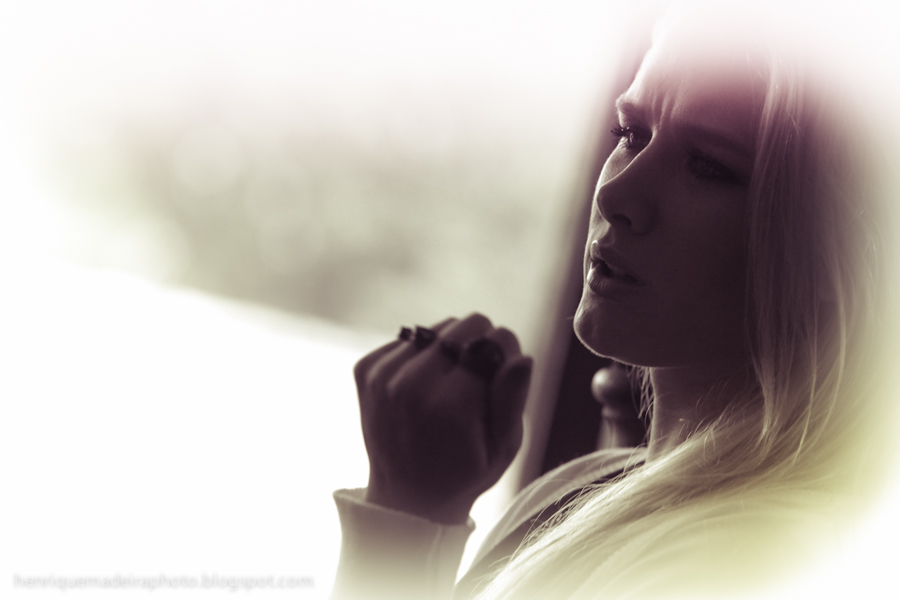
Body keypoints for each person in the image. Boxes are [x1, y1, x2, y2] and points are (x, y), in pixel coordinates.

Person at [330, 3, 899, 599]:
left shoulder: (747, 560)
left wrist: (402, 522)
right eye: (630, 134)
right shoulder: (582, 489)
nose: (617, 194)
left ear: (840, 245)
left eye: (707, 165)